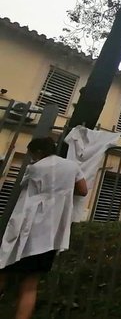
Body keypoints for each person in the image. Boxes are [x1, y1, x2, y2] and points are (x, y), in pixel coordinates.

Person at [0, 137, 87, 319]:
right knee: (30, 285)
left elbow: (25, 189)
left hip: (25, 231)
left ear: (38, 152)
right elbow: (83, 190)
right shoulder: (72, 167)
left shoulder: (35, 168)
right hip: (50, 235)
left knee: (3, 272)